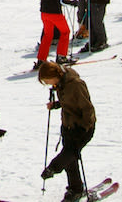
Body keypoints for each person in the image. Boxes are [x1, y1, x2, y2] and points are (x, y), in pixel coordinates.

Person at [38, 60, 96, 202]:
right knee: (70, 159)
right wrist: (57, 105)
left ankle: (53, 168)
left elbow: (87, 109)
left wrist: (83, 128)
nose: (48, 84)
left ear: (55, 75)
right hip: (68, 126)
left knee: (69, 153)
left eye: (47, 81)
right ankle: (75, 188)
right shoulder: (61, 83)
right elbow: (69, 102)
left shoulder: (76, 84)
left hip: (82, 128)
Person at [36, 0, 73, 68]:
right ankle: (61, 56)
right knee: (65, 32)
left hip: (44, 12)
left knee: (48, 35)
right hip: (55, 13)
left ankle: (41, 59)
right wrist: (71, 3)